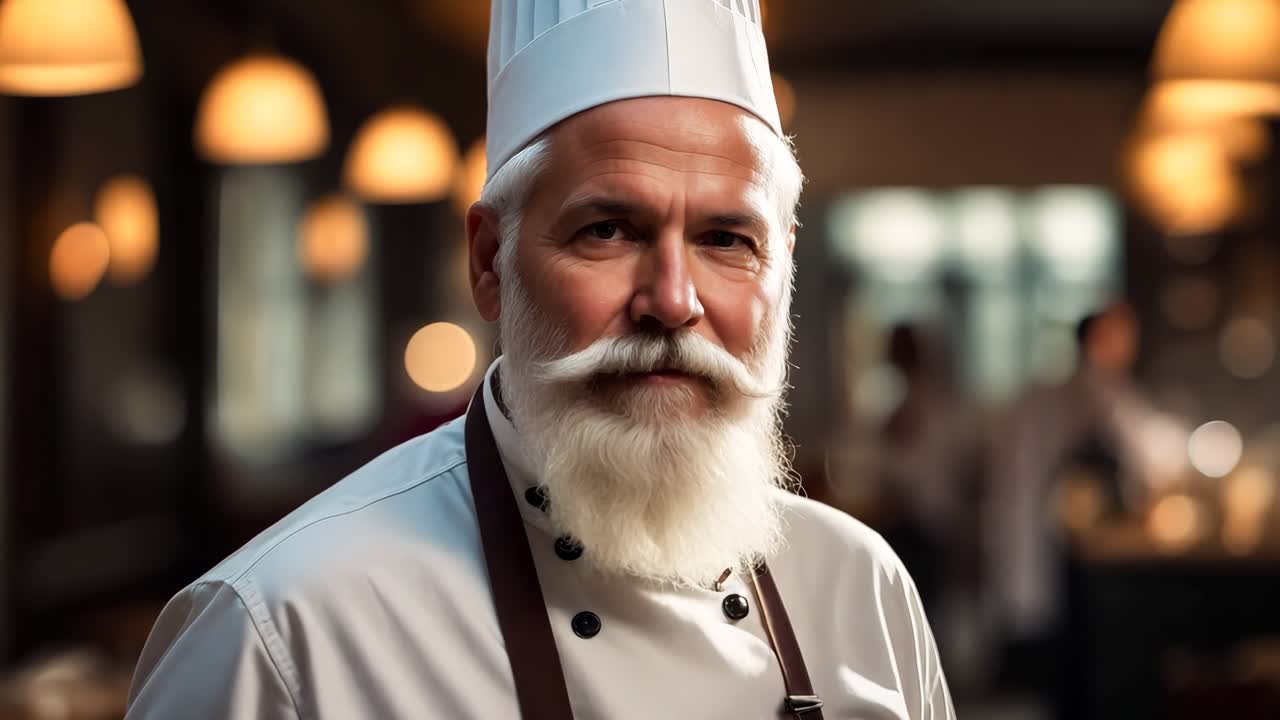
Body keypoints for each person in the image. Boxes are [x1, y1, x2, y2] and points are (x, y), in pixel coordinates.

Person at [125, 1, 954, 717]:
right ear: (490, 262)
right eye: (609, 229)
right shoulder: (283, 630)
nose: (672, 300)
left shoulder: (863, 593)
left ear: (785, 269)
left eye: (726, 239)